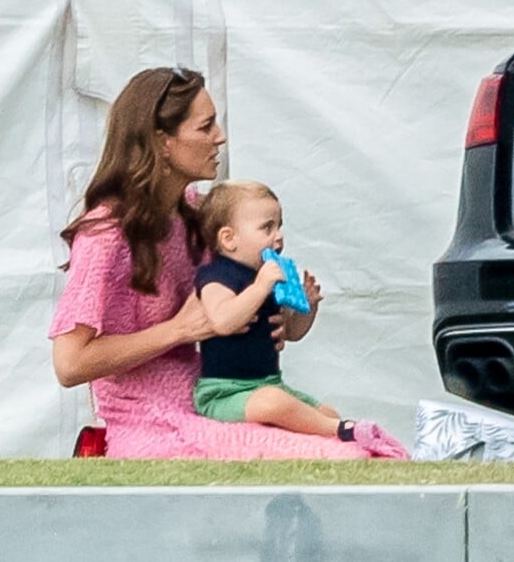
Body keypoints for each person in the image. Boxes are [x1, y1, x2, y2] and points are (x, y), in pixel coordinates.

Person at [49, 66, 408, 460]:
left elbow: (229, 304)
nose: (219, 136)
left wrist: (272, 322)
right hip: (149, 418)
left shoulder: (199, 215)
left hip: (216, 395)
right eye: (205, 127)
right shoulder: (105, 234)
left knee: (341, 435)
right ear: (162, 141)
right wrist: (177, 330)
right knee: (344, 455)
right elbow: (70, 364)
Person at [194, 180, 369, 446]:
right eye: (267, 228)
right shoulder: (217, 275)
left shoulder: (270, 277)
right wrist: (261, 286)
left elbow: (291, 334)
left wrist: (306, 310)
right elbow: (222, 321)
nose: (278, 236)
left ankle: (333, 426)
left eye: (279, 226)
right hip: (224, 392)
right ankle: (340, 430)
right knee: (273, 403)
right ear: (229, 239)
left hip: (270, 383)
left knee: (325, 411)